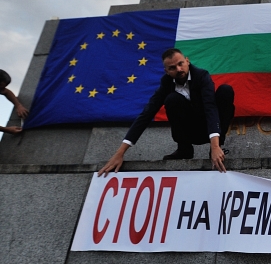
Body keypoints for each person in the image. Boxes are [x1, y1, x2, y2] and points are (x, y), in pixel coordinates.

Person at [99, 48, 234, 174]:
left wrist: (215, 146)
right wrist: (120, 153)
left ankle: (215, 150)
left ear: (187, 61)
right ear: (166, 71)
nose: (179, 69)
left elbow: (210, 108)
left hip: (211, 130)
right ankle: (184, 150)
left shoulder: (202, 76)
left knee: (225, 91)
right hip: (190, 131)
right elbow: (146, 115)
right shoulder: (166, 84)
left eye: (181, 64)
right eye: (173, 68)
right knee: (172, 99)